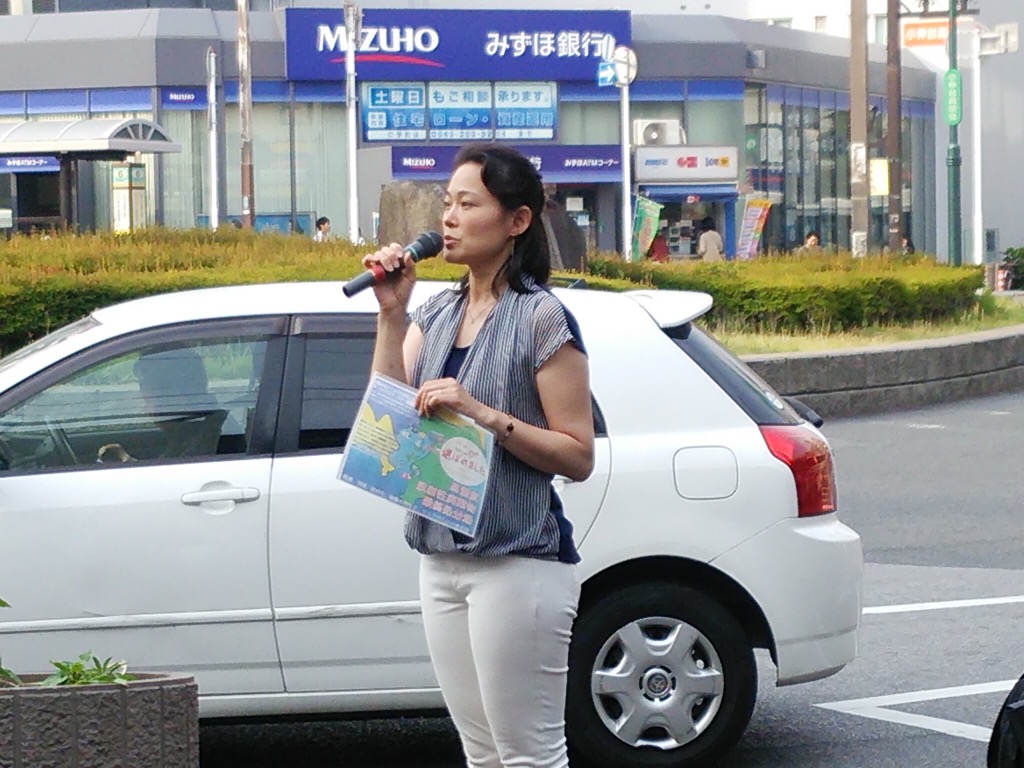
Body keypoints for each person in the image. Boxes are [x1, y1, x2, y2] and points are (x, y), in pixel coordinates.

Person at [361, 143, 595, 768]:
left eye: (469, 203)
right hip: (439, 555)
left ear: (517, 221)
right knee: (482, 752)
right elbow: (387, 419)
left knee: (528, 754)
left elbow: (577, 455)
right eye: (447, 203)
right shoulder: (435, 312)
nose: (450, 219)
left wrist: (483, 414)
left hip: (519, 560)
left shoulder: (542, 317)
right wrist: (391, 315)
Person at [97, 348, 226, 463]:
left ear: (174, 396)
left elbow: (167, 483)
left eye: (150, 399)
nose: (147, 409)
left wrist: (128, 463)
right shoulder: (194, 431)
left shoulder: (206, 442)